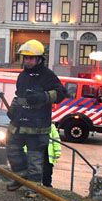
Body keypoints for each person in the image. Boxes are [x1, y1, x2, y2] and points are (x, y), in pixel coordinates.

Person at [5, 39, 67, 192]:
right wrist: (13, 109)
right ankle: (20, 177)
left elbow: (61, 93)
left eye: (31, 58)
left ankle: (33, 187)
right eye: (25, 58)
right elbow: (18, 96)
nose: (27, 61)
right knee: (12, 149)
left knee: (35, 158)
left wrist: (43, 97)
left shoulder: (48, 76)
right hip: (19, 123)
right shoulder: (22, 76)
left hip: (37, 126)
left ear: (39, 59)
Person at [42, 123, 62, 188]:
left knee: (47, 172)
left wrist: (57, 152)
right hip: (37, 152)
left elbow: (56, 140)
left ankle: (47, 186)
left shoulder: (51, 126)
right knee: (34, 170)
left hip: (47, 154)